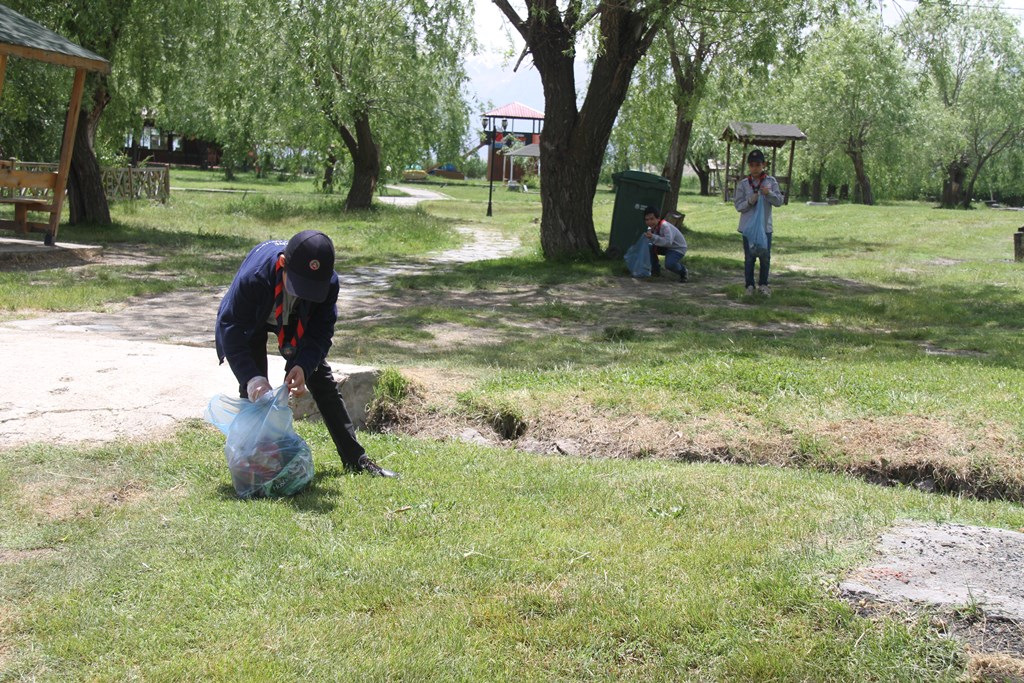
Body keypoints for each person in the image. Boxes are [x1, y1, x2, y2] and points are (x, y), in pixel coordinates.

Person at [215, 230, 398, 478]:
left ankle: (356, 459)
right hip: (253, 319)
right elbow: (232, 329)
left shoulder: (328, 283)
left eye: (311, 289)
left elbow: (320, 333)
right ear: (282, 265)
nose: (303, 293)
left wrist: (303, 364)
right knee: (255, 391)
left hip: (296, 318)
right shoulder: (254, 278)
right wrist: (251, 378)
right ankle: (252, 465)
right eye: (299, 286)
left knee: (321, 379)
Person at [734, 149, 783, 296]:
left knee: (765, 257)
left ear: (764, 165)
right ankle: (749, 285)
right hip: (748, 228)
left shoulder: (771, 182)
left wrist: (769, 194)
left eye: (757, 165)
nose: (754, 168)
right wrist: (750, 201)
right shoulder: (743, 184)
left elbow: (779, 201)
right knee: (749, 257)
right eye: (751, 165)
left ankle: (763, 284)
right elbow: (738, 206)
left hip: (764, 227)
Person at [642, 206, 688, 282]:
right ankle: (655, 271)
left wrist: (653, 237)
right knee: (649, 247)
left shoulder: (665, 226)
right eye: (647, 220)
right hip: (666, 247)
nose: (649, 222)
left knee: (669, 265)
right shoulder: (651, 228)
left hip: (677, 248)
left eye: (652, 219)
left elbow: (668, 242)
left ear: (658, 219)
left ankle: (683, 271)